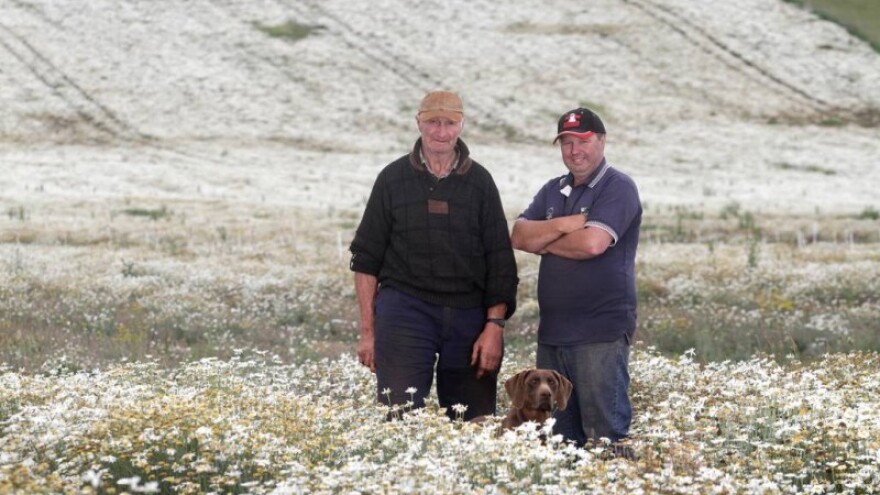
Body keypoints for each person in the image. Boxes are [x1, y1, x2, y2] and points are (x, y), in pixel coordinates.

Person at [349, 90, 518, 421]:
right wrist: (368, 332)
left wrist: (494, 326)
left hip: (469, 314)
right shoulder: (392, 179)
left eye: (450, 123)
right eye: (433, 123)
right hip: (405, 310)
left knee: (474, 422)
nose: (441, 132)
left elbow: (500, 261)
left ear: (462, 125)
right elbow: (365, 259)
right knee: (398, 416)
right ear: (418, 123)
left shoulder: (480, 183)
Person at [510, 107, 642, 447]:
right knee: (556, 437)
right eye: (566, 142)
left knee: (603, 434)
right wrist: (565, 225)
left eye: (582, 141)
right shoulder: (553, 189)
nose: (574, 150)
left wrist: (546, 240)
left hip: (599, 331)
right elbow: (520, 236)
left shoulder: (618, 187)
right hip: (553, 335)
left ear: (601, 140)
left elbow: (593, 244)